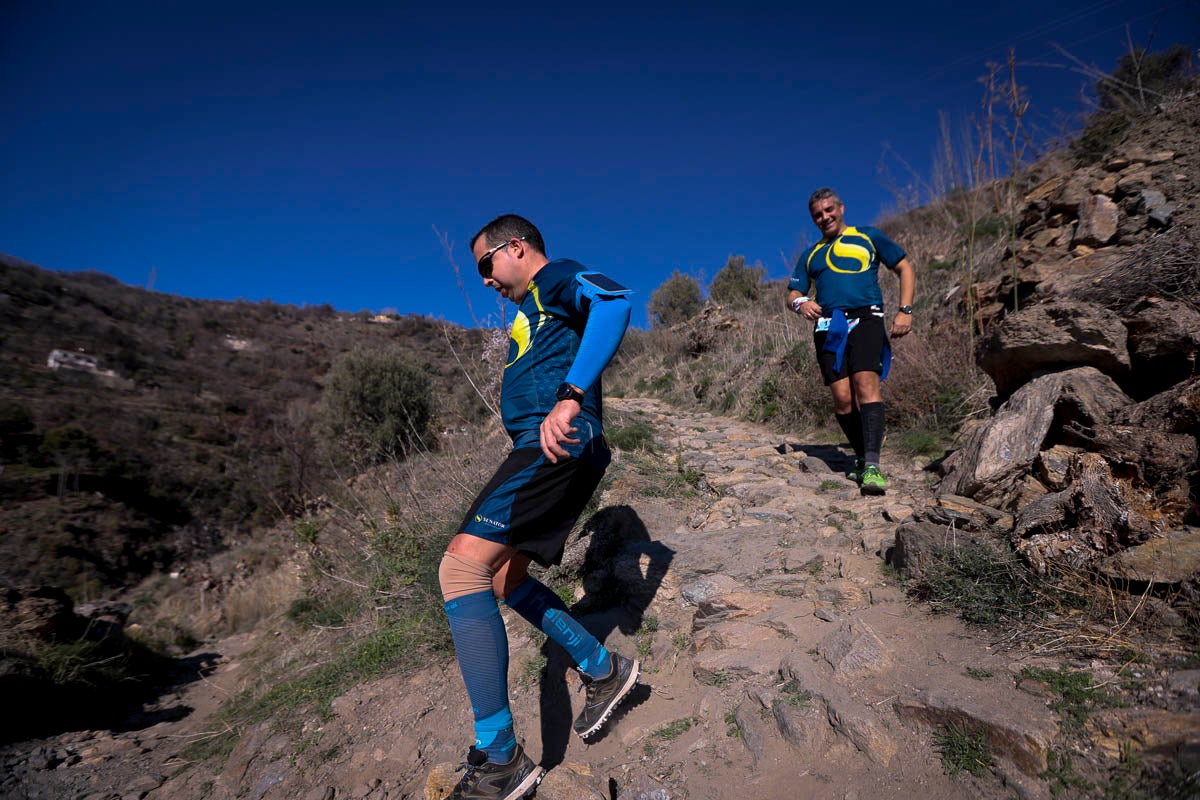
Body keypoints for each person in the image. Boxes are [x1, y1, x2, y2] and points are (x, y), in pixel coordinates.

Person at [439, 214, 638, 800]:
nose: (484, 280)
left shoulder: (555, 279)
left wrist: (570, 400)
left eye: (485, 265)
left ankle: (500, 759)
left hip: (555, 444)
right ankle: (604, 669)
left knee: (459, 569)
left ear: (516, 248)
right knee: (503, 578)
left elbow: (616, 302)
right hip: (548, 445)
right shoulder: (533, 310)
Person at [786, 188, 916, 494]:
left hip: (867, 316)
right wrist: (800, 303)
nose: (825, 217)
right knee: (843, 399)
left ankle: (872, 465)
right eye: (818, 214)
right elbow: (792, 293)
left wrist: (904, 310)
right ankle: (860, 456)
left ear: (841, 208)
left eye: (829, 210)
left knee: (865, 385)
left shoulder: (868, 236)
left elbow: (904, 267)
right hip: (828, 325)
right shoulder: (811, 255)